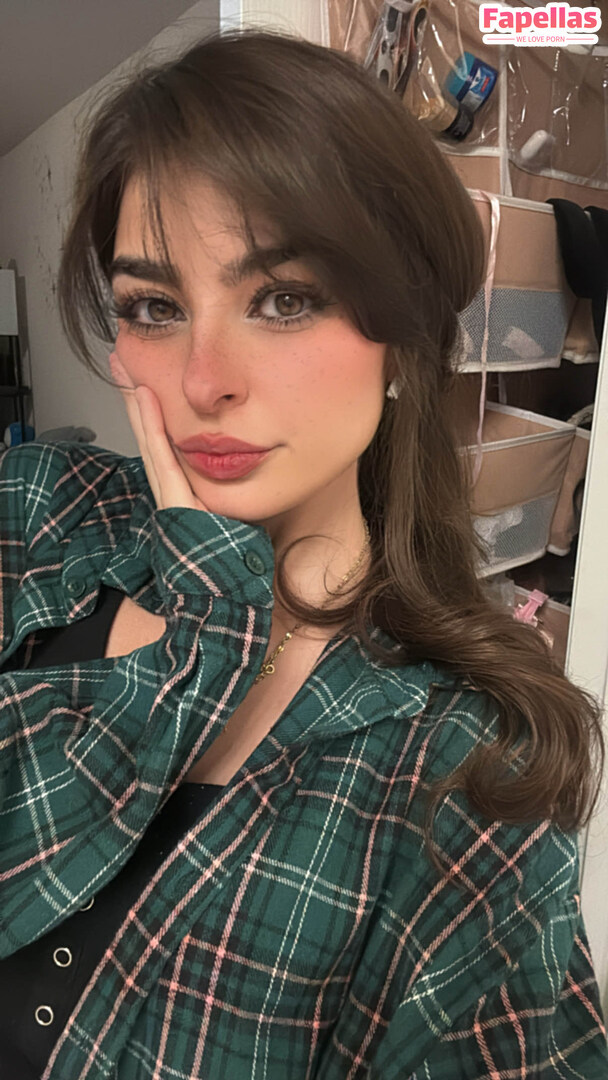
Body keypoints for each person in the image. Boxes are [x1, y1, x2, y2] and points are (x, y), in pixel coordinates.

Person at [0, 26, 606, 1080]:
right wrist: (210, 621)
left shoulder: (461, 775)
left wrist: (226, 613)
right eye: (154, 307)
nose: (204, 379)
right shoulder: (46, 512)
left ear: (403, 337)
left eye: (284, 298)